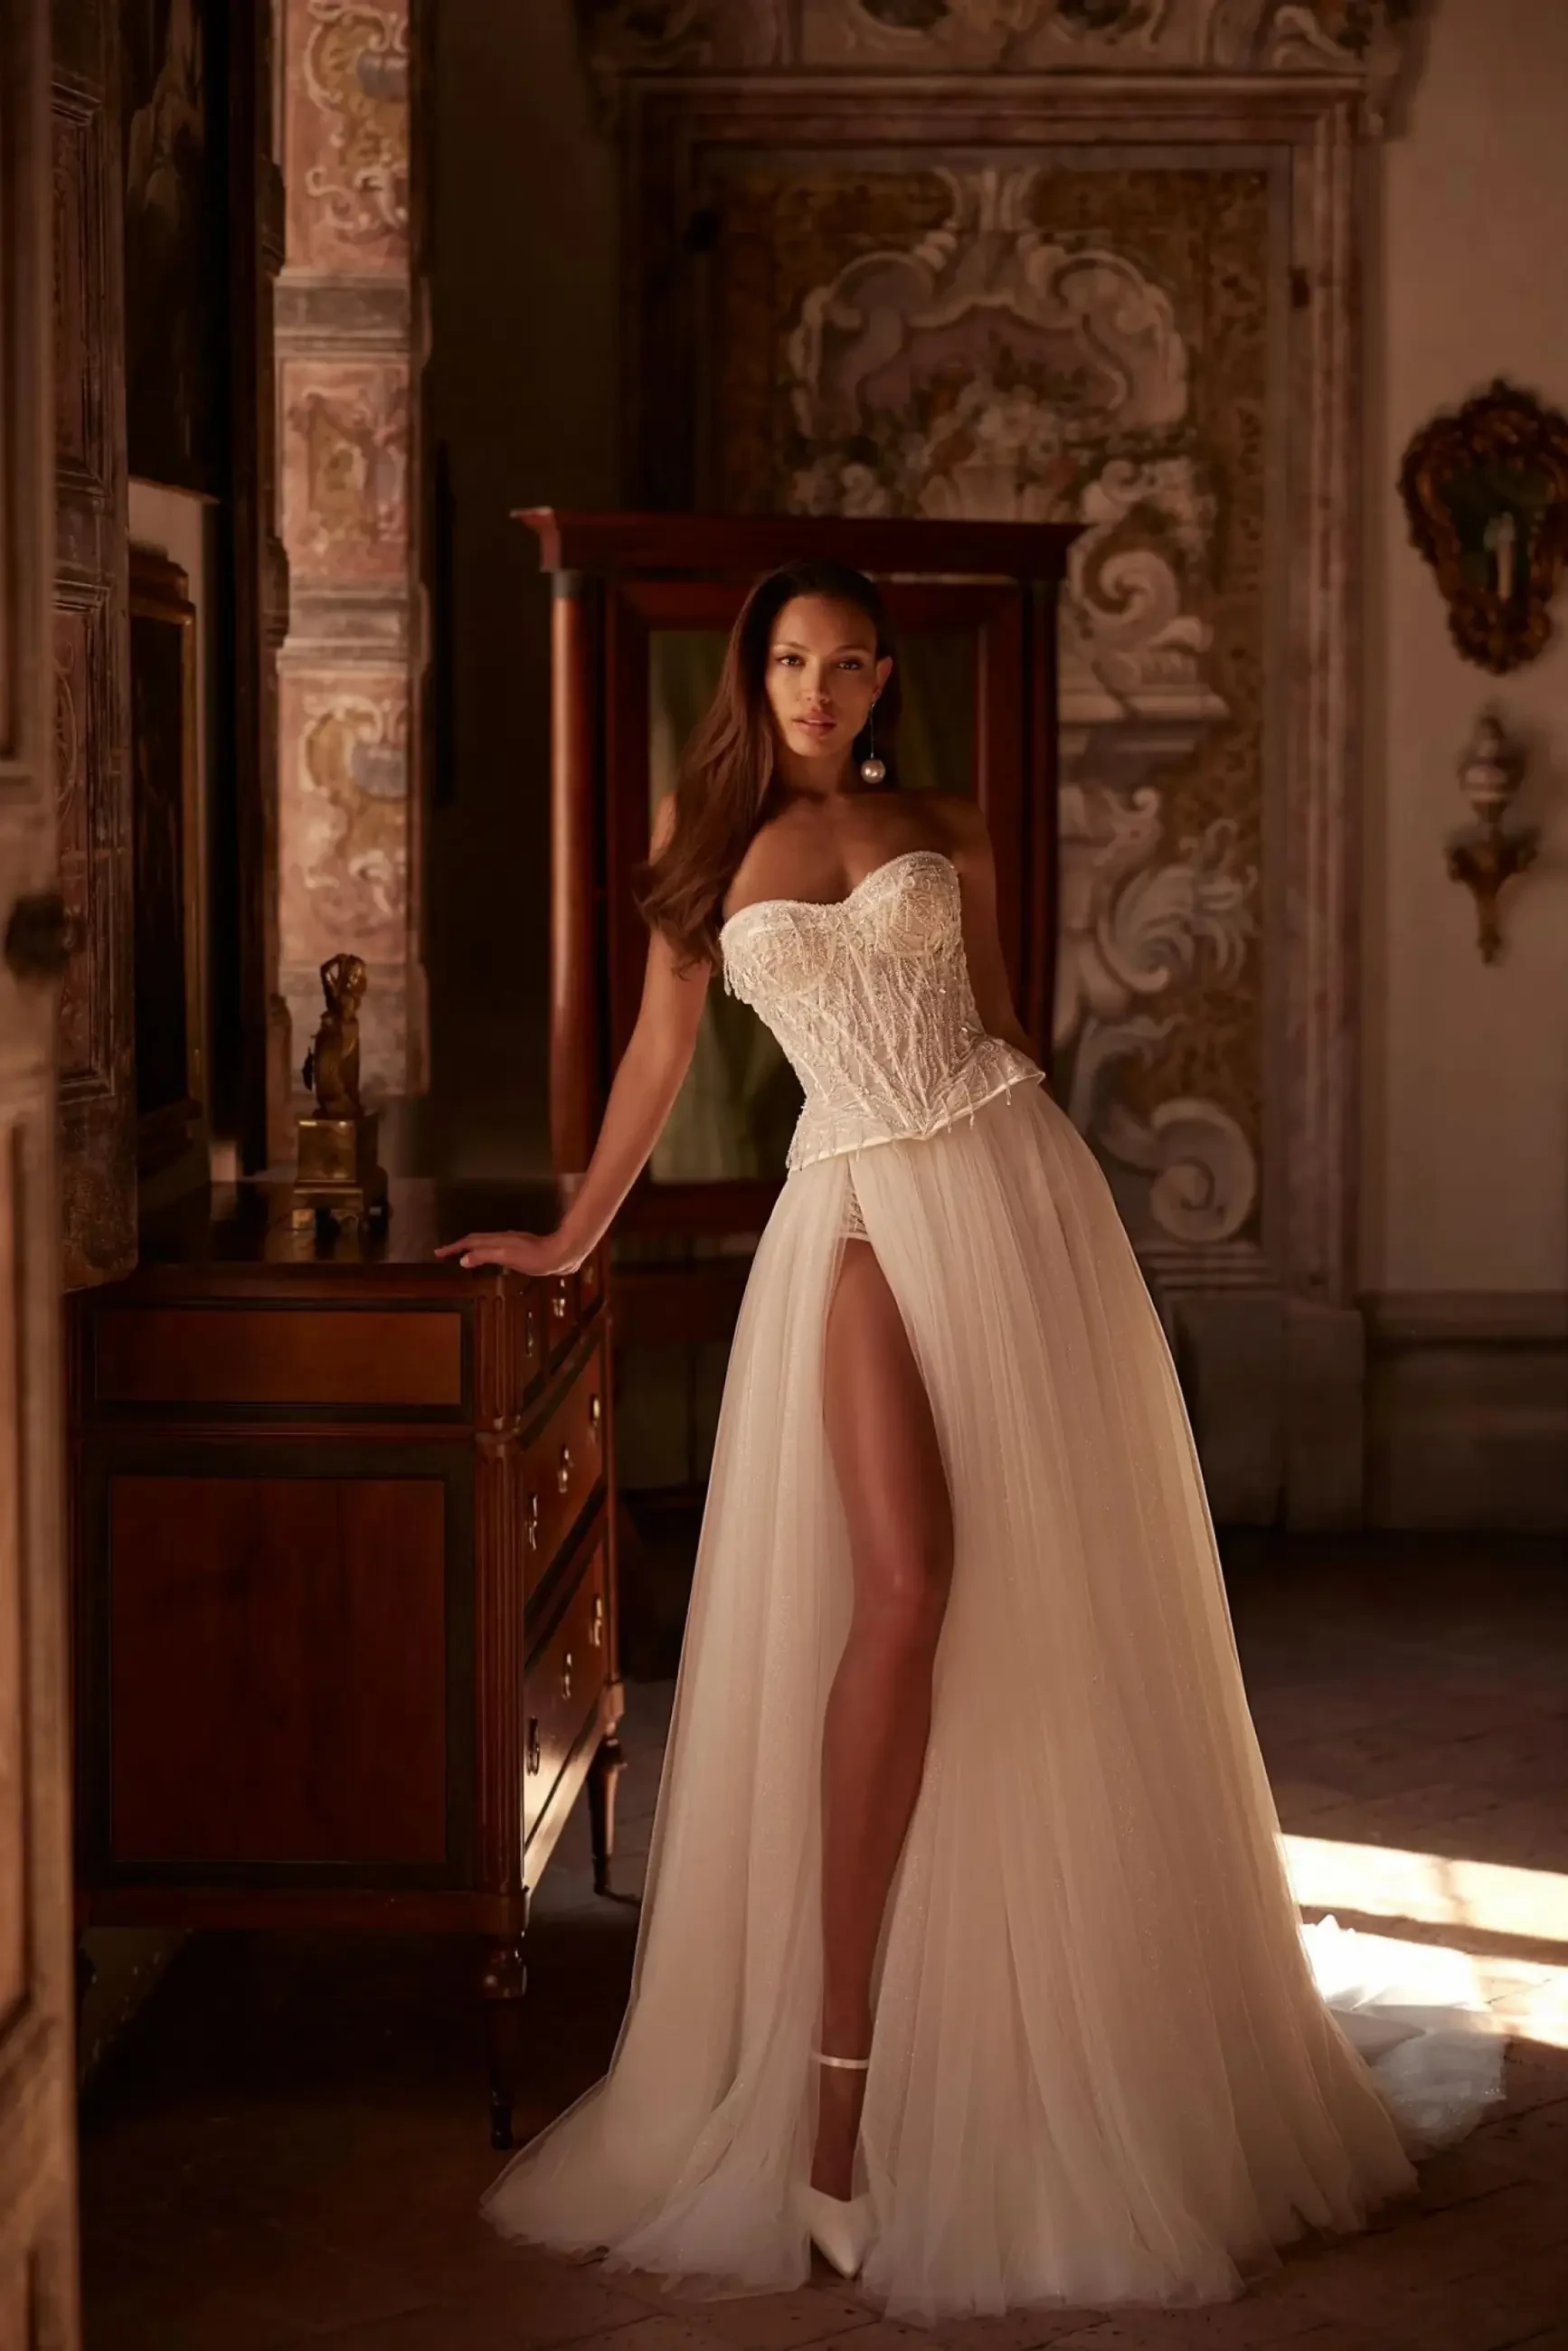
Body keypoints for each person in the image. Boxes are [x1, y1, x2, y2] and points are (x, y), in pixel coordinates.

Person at [438, 559, 1503, 2325]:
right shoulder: (708, 867)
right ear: (750, 674)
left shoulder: (944, 817)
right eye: (792, 661)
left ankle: (1032, 2037)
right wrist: (568, 1237)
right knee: (905, 1589)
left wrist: (1073, 1257)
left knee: (1043, 1600)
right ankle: (835, 2077)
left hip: (1012, 1192)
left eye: (851, 663)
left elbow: (1011, 1028)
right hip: (850, 1212)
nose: (822, 689)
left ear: (879, 681)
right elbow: (649, 1065)